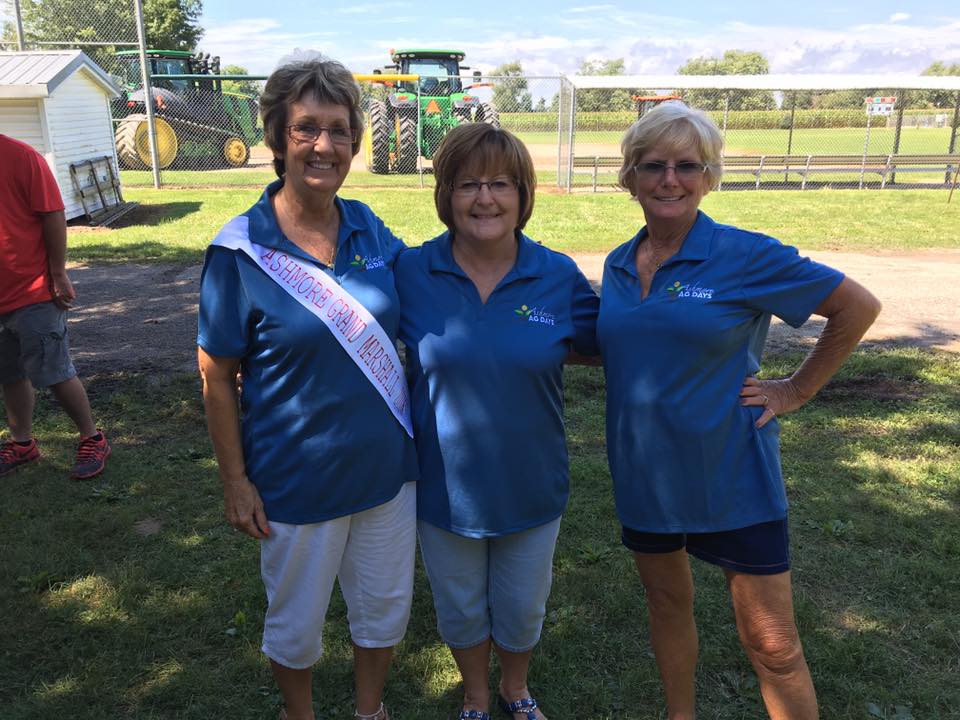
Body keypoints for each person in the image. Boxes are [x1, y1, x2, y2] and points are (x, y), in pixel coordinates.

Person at [597, 101, 882, 720]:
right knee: (667, 608)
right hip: (646, 474)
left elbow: (856, 307)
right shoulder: (620, 264)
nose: (669, 179)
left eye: (687, 166)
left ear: (708, 177)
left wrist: (795, 390)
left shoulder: (745, 255)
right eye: (653, 166)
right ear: (631, 178)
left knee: (773, 644)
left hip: (732, 475)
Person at [197, 55, 417, 720]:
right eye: (306, 128)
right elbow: (216, 373)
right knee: (295, 624)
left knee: (381, 613)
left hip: (387, 474)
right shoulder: (239, 252)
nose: (325, 145)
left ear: (355, 140)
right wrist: (235, 480)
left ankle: (368, 709)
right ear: (276, 138)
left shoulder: (369, 230)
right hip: (295, 481)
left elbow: (441, 296)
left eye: (340, 130)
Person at [395, 123, 599, 720]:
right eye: (468, 184)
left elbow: (620, 341)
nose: (485, 198)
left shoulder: (555, 275)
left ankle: (515, 688)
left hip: (531, 482)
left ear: (523, 194)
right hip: (444, 484)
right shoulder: (411, 271)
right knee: (458, 605)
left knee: (522, 604)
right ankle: (477, 695)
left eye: (501, 184)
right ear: (446, 195)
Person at [0, 134, 111, 480]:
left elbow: (52, 214)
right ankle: (22, 444)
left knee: (54, 370)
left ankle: (92, 437)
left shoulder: (22, 157)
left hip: (32, 290)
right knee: (9, 373)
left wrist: (58, 272)